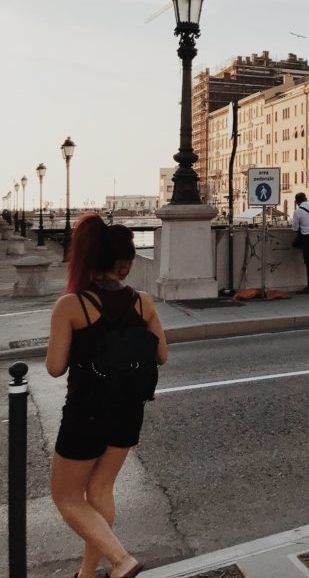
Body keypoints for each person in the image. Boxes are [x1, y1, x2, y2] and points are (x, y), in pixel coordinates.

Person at [45, 214, 167, 578]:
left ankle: (121, 560)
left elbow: (54, 368)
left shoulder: (72, 305)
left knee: (67, 498)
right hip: (129, 411)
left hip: (87, 413)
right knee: (100, 489)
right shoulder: (143, 302)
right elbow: (162, 355)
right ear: (124, 263)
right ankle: (86, 573)